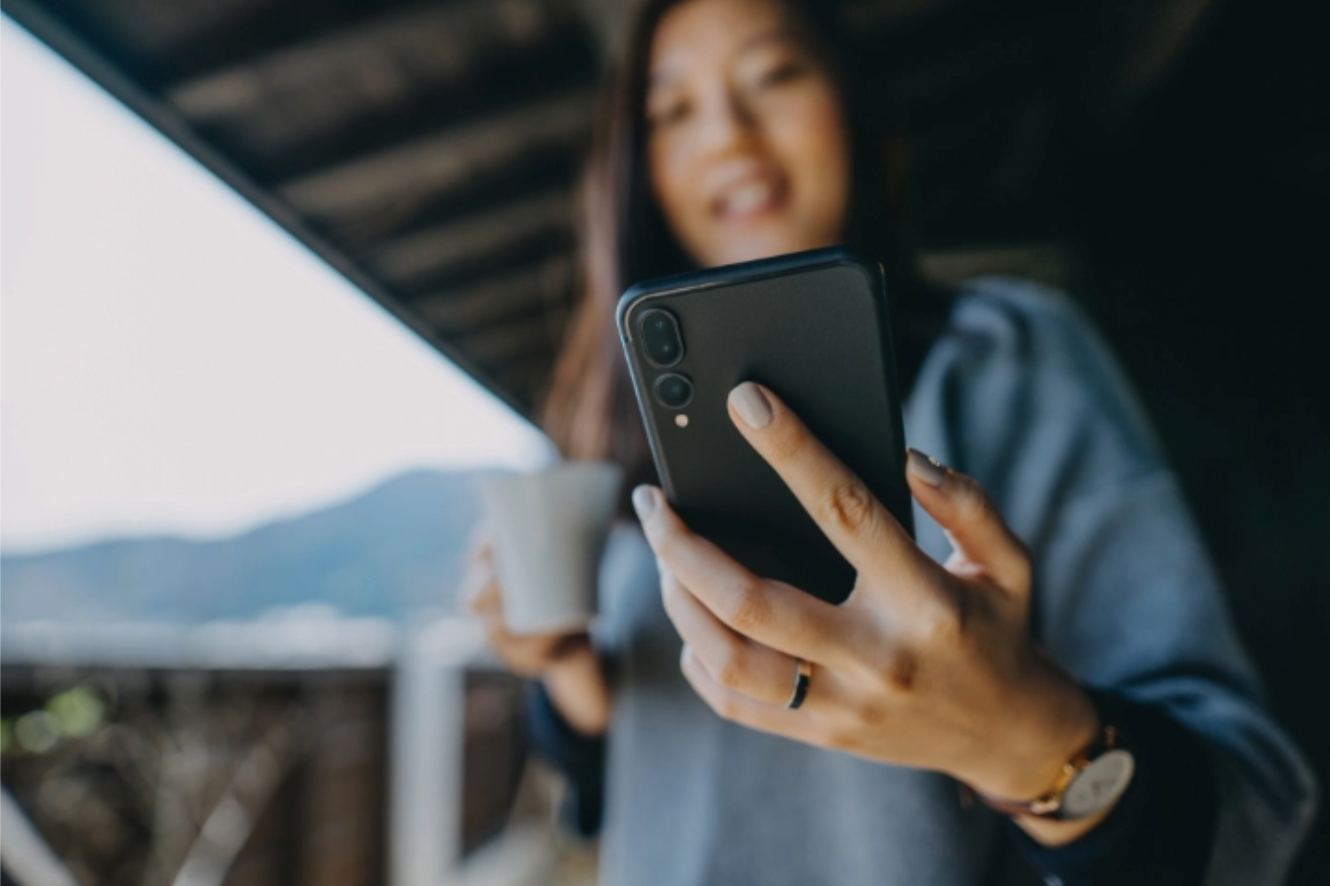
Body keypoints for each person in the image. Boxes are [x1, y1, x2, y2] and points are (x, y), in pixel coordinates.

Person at [462, 0, 1317, 882]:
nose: (727, 132)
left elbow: (1249, 814)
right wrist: (566, 669)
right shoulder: (629, 434)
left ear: (862, 121)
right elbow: (633, 776)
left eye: (773, 75)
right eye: (671, 110)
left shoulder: (1005, 355)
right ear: (639, 172)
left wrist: (1025, 741)